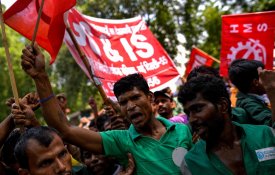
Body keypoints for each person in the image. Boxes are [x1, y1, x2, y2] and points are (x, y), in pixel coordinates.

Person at [20, 43, 193, 174]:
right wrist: (41, 76)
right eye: (124, 102)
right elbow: (64, 130)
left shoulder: (183, 131)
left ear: (150, 98)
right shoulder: (121, 141)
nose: (131, 106)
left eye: (135, 98)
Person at [177, 72, 275, 175]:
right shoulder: (191, 164)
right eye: (188, 113)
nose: (191, 119)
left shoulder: (267, 136)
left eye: (197, 109)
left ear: (222, 105)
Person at [229, 59, 272, 125]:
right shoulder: (249, 104)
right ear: (256, 82)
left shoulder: (249, 99)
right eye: (264, 77)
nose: (268, 79)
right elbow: (271, 123)